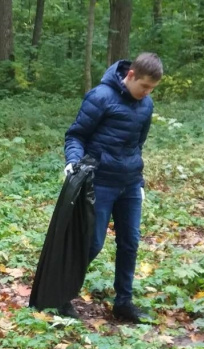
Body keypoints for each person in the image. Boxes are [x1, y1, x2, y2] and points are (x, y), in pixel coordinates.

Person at [62, 53, 163, 323]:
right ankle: (61, 295)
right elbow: (76, 135)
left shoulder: (146, 104)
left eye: (152, 89)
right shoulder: (100, 97)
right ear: (131, 75)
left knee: (129, 243)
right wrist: (73, 163)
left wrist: (138, 182)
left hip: (129, 184)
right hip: (100, 182)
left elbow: (137, 145)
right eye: (144, 87)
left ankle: (123, 303)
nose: (147, 93)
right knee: (92, 243)